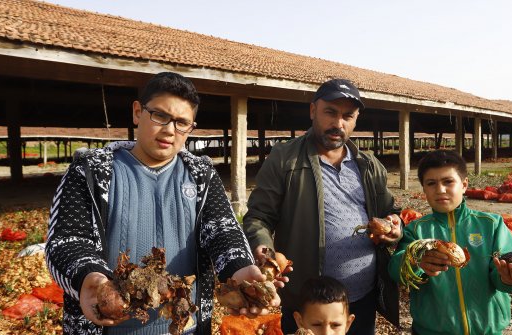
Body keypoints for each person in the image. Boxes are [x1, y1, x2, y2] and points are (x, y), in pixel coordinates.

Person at [45, 72, 277, 335]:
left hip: (184, 326)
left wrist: (239, 268)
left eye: (182, 123)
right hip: (108, 325)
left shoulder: (201, 174)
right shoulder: (91, 172)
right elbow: (67, 241)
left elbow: (222, 230)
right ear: (137, 112)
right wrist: (90, 279)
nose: (169, 130)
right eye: (160, 116)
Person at [243, 78, 401, 335]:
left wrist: (395, 228)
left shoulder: (368, 165)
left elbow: (389, 211)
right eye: (331, 112)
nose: (338, 123)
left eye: (348, 116)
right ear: (313, 110)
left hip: (360, 299)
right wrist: (265, 252)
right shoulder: (286, 158)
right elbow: (259, 217)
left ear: (356, 119)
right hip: (308, 304)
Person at [388, 150, 512, 335]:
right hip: (431, 330)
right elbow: (396, 270)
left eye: (448, 182)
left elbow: (505, 271)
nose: (440, 190)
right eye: (431, 183)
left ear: (464, 185)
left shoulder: (491, 225)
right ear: (424, 189)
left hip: (486, 330)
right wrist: (416, 261)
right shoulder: (416, 230)